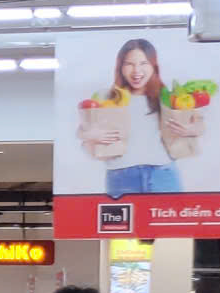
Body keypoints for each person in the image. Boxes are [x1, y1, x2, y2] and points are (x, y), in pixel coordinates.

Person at [78, 38, 182, 196]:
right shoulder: (105, 96)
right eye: (129, 64)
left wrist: (191, 129)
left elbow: (197, 126)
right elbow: (81, 132)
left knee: (165, 220)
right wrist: (91, 135)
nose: (136, 71)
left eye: (143, 63)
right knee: (123, 221)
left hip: (163, 174)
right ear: (120, 67)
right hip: (121, 175)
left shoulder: (165, 96)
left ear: (153, 65)